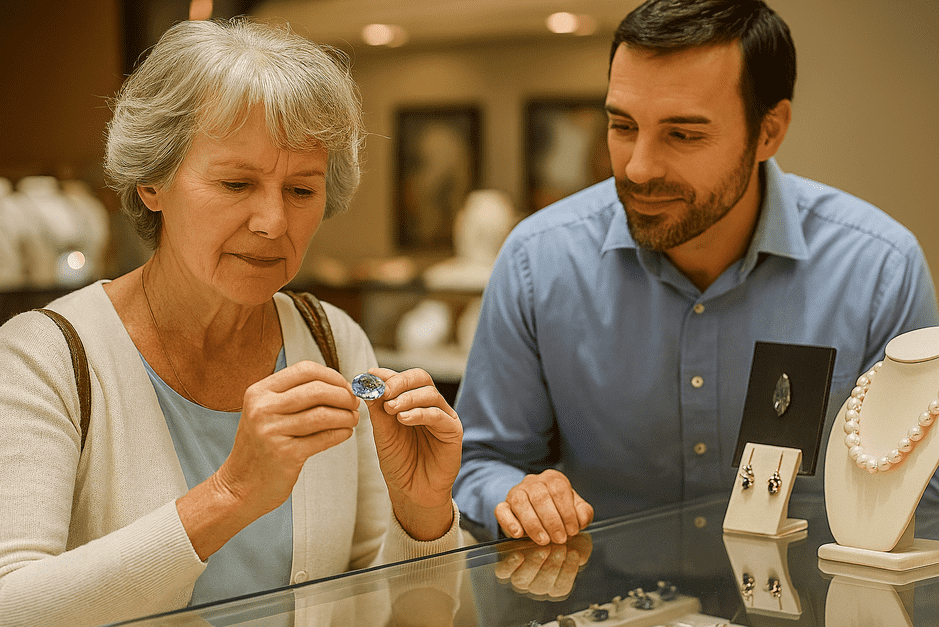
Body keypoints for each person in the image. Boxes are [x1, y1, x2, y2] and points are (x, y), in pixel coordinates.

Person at [0, 18, 463, 626]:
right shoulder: (44, 358)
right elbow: (13, 607)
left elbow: (407, 617)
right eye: (236, 183)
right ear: (152, 181)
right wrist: (231, 494)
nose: (273, 221)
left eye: (301, 191)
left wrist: (424, 516)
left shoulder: (334, 341)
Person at [453, 0, 939, 545]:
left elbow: (925, 500)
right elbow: (481, 463)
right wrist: (519, 497)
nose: (638, 167)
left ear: (769, 132)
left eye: (683, 134)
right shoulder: (537, 262)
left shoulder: (877, 270)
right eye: (622, 125)